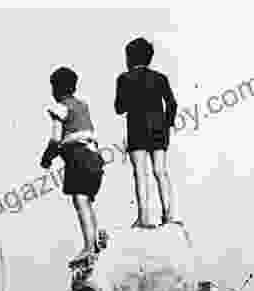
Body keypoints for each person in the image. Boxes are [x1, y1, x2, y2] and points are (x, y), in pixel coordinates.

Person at [115, 37, 181, 228]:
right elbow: (172, 104)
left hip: (136, 129)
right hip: (159, 129)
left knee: (140, 173)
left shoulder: (123, 78)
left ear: (129, 58)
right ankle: (169, 215)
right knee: (160, 171)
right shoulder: (160, 77)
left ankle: (144, 218)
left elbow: (119, 108)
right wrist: (167, 124)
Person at [43, 66, 105, 265]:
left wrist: (47, 158)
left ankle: (88, 246)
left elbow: (55, 139)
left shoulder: (60, 108)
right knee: (86, 201)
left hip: (78, 158)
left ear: (56, 89)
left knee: (80, 200)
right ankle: (94, 240)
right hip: (95, 157)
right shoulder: (83, 105)